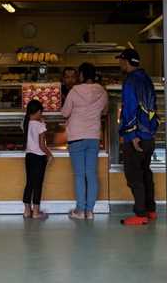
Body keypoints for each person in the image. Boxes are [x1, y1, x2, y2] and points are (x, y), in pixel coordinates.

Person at [116, 48, 159, 226]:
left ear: (126, 62)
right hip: (149, 135)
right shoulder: (147, 79)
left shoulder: (131, 81)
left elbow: (130, 109)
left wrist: (131, 134)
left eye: (121, 60)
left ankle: (140, 214)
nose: (120, 63)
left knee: (134, 175)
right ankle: (150, 210)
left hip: (136, 137)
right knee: (146, 173)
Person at [62, 62, 108, 220]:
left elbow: (65, 112)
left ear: (81, 75)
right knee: (91, 174)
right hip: (93, 136)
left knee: (80, 175)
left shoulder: (75, 91)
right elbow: (106, 111)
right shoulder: (101, 91)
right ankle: (90, 211)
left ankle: (80, 210)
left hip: (76, 136)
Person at [23, 99, 52, 219]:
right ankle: (36, 212)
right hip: (39, 157)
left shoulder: (25, 123)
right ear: (39, 111)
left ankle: (27, 211)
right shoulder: (40, 125)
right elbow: (42, 145)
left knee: (29, 183)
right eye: (41, 112)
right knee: (37, 184)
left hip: (29, 156)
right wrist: (49, 154)